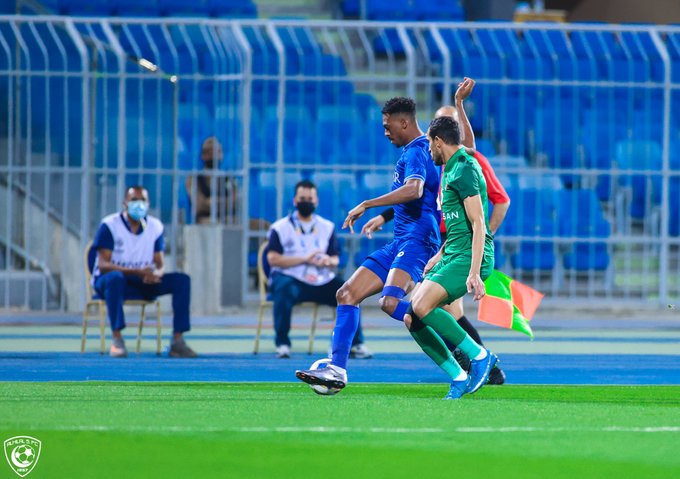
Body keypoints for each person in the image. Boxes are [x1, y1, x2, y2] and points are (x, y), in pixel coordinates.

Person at [362, 78, 510, 384]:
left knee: (433, 308)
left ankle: (480, 363)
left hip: (461, 247)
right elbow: (421, 195)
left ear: (444, 138)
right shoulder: (440, 163)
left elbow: (498, 204)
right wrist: (385, 217)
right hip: (446, 245)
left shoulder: (470, 164)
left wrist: (478, 246)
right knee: (427, 310)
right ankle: (472, 365)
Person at [296, 97, 444, 392]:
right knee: (347, 293)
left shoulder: (417, 151)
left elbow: (414, 191)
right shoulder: (415, 151)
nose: (386, 132)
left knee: (390, 303)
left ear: (404, 122)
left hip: (417, 240)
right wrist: (384, 217)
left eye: (388, 127)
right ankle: (337, 369)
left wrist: (368, 204)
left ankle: (460, 347)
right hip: (401, 240)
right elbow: (419, 195)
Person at [403, 115, 498, 399]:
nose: (429, 151)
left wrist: (473, 272)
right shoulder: (452, 169)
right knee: (412, 318)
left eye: (430, 144)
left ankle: (479, 356)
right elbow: (459, 224)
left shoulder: (465, 169)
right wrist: (439, 254)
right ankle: (458, 375)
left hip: (470, 257)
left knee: (422, 305)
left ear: (439, 141)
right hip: (452, 253)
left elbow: (479, 223)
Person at [266, 179, 372, 359]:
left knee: (350, 292)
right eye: (302, 198)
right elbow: (272, 259)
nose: (306, 201)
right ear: (294, 201)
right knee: (282, 290)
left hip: (321, 278)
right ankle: (282, 343)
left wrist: (328, 261)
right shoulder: (280, 227)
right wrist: (304, 259)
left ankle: (356, 344)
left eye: (310, 198)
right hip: (292, 278)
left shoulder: (326, 227)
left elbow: (335, 258)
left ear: (316, 201)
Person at [92, 185, 197, 358]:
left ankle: (177, 341)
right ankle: (117, 339)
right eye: (134, 200)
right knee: (114, 278)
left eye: (142, 200)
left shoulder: (155, 226)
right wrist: (136, 271)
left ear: (148, 204)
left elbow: (160, 263)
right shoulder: (110, 225)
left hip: (142, 281)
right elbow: (103, 265)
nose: (138, 204)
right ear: (125, 203)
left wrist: (157, 274)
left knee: (182, 280)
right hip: (112, 282)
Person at [185, 137, 238, 225]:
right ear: (203, 155)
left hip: (229, 220)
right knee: (215, 224)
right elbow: (199, 205)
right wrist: (225, 202)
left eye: (218, 151)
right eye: (210, 152)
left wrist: (210, 202)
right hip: (203, 221)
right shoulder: (193, 179)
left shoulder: (229, 179)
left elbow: (236, 202)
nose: (214, 155)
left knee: (262, 224)